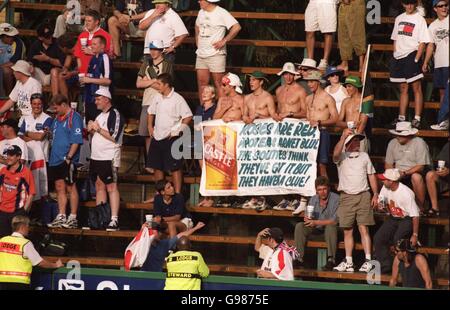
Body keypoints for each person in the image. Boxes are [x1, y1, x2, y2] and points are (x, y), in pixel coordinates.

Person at [332, 130, 379, 273]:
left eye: (358, 140)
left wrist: (375, 193)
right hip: (346, 197)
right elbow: (334, 154)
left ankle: (368, 261)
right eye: (354, 140)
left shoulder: (364, 156)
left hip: (363, 195)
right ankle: (349, 262)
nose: (357, 143)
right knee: (348, 230)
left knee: (364, 228)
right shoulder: (342, 156)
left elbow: (371, 175)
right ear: (348, 143)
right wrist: (343, 137)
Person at [147, 73, 193, 194]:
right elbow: (150, 112)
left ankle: (177, 194)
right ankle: (160, 193)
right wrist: (149, 126)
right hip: (157, 136)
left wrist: (177, 131)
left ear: (166, 85)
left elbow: (188, 116)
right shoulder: (157, 97)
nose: (156, 86)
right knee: (157, 166)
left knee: (175, 167)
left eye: (159, 84)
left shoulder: (178, 99)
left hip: (171, 138)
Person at [389, 0, 430, 129]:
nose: (409, 6)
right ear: (403, 4)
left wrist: (417, 58)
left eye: (412, 3)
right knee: (403, 88)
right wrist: (395, 52)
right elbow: (395, 38)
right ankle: (402, 117)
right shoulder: (399, 18)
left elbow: (423, 41)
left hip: (412, 55)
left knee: (416, 88)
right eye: (407, 3)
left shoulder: (420, 19)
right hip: (399, 57)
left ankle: (417, 118)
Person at [87, 88, 124, 231]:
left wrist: (97, 129)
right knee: (99, 185)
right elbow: (95, 133)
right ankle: (100, 217)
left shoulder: (115, 114)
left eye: (98, 99)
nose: (95, 101)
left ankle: (114, 219)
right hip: (96, 156)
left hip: (109, 156)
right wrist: (91, 128)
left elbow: (114, 136)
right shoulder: (100, 115)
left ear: (106, 99)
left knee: (111, 186)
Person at [47, 95, 83, 229]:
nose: (55, 111)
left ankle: (72, 217)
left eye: (56, 108)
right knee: (59, 187)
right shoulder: (56, 119)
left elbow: (77, 140)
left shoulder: (75, 117)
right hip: (55, 159)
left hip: (67, 159)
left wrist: (69, 158)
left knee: (70, 186)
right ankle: (61, 215)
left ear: (63, 104)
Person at [374, 169, 421, 274]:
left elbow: (415, 216)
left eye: (384, 179)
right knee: (378, 238)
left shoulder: (406, 193)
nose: (382, 181)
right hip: (393, 217)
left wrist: (415, 234)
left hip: (407, 218)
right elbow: (382, 206)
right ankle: (386, 266)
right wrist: (381, 207)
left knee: (398, 239)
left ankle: (402, 267)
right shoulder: (385, 188)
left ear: (391, 181)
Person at [0, 215, 63, 289]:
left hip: (2, 281)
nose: (29, 229)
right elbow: (40, 262)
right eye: (28, 226)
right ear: (23, 227)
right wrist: (55, 265)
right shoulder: (25, 243)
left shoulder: (2, 241)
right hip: (19, 283)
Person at [137, 40, 174, 165]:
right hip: (147, 102)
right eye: (151, 49)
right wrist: (154, 81)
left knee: (162, 133)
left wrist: (148, 80)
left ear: (161, 50)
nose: (153, 52)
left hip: (162, 103)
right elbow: (138, 83)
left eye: (156, 49)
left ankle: (162, 162)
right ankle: (151, 163)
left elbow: (163, 86)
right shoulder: (146, 63)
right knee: (148, 134)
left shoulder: (167, 64)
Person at [195, 0, 241, 100]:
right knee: (202, 83)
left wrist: (224, 40)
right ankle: (203, 112)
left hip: (216, 54)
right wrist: (198, 42)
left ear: (209, 1)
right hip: (201, 53)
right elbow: (197, 26)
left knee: (219, 83)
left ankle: (220, 113)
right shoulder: (201, 12)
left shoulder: (222, 12)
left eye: (201, 0)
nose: (198, 2)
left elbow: (236, 27)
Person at [294, 176, 339, 270]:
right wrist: (307, 218)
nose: (322, 192)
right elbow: (308, 217)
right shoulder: (313, 199)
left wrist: (316, 222)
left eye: (324, 189)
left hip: (331, 232)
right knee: (299, 226)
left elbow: (335, 220)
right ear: (316, 190)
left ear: (328, 188)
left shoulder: (336, 199)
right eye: (319, 190)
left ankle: (331, 260)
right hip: (316, 229)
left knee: (331, 227)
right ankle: (299, 258)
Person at [385, 121, 431, 210]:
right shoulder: (392, 143)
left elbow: (421, 166)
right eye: (397, 134)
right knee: (382, 179)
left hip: (414, 172)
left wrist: (405, 173)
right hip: (397, 172)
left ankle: (419, 207)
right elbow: (388, 164)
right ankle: (389, 206)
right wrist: (392, 174)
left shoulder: (419, 142)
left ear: (409, 134)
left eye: (401, 134)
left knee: (416, 177)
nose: (398, 136)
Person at [18, 93, 52, 201]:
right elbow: (19, 136)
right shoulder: (26, 118)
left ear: (43, 105)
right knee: (29, 184)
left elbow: (41, 136)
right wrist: (33, 136)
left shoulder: (48, 119)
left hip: (43, 157)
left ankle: (41, 213)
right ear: (31, 104)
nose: (36, 106)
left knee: (42, 185)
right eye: (34, 104)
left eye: (39, 104)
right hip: (28, 156)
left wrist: (27, 133)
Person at [305, 70, 338, 177]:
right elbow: (306, 117)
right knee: (309, 164)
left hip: (322, 132)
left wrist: (319, 122)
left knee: (321, 165)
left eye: (311, 82)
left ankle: (325, 190)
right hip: (309, 134)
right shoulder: (308, 98)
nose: (309, 84)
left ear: (318, 82)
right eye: (308, 82)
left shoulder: (328, 98)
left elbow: (335, 118)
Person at [141, 221, 206, 272]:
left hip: (157, 276)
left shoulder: (164, 244)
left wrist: (195, 228)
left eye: (159, 231)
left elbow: (180, 235)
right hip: (143, 276)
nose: (159, 233)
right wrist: (142, 230)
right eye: (157, 231)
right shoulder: (143, 244)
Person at [424, 0, 449, 131]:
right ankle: (444, 121)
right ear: (435, 9)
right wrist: (425, 62)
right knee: (442, 93)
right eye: (441, 6)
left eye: (446, 5)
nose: (444, 8)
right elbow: (430, 45)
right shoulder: (432, 26)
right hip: (439, 64)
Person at [0, 147, 35, 238]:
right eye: (7, 154)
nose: (8, 157)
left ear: (19, 156)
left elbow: (31, 193)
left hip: (17, 213)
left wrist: (23, 212)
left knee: (17, 241)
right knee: (3, 241)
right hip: (2, 212)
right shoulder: (3, 170)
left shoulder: (26, 172)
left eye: (11, 155)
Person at [81, 35, 112, 123]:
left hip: (100, 99)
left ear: (102, 46)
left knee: (97, 125)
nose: (92, 46)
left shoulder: (105, 58)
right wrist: (84, 80)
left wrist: (89, 80)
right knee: (89, 126)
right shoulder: (93, 58)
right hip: (89, 97)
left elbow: (108, 80)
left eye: (94, 44)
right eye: (92, 44)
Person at [195, 85, 217, 208]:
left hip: (210, 142)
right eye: (203, 91)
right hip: (199, 141)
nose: (204, 93)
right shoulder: (199, 108)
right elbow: (196, 123)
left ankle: (211, 198)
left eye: (207, 92)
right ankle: (206, 197)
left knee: (210, 171)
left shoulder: (215, 108)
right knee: (203, 172)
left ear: (213, 95)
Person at [73, 9, 114, 76]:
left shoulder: (106, 35)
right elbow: (77, 55)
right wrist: (80, 71)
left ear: (96, 22)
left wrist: (92, 52)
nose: (86, 23)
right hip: (82, 74)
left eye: (89, 21)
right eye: (85, 21)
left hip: (98, 74)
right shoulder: (82, 35)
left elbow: (109, 56)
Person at [336, 76, 369, 153]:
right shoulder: (345, 101)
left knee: (359, 162)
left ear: (356, 87)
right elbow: (338, 122)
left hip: (359, 135)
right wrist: (349, 124)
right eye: (346, 86)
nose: (347, 89)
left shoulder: (365, 101)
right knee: (344, 161)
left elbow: (363, 123)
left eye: (349, 86)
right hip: (346, 134)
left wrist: (356, 138)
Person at [27, 23, 65, 87]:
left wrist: (48, 59)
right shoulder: (36, 45)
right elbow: (29, 59)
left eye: (51, 35)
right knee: (24, 67)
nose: (50, 38)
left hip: (52, 75)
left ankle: (55, 96)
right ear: (40, 38)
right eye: (47, 37)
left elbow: (62, 63)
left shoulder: (58, 43)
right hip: (40, 74)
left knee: (54, 72)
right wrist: (31, 65)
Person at [304, 0, 337, 70]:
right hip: (313, 2)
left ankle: (325, 61)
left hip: (328, 2)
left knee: (328, 32)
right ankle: (310, 60)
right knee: (309, 30)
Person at [336, 0, 366, 72]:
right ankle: (344, 62)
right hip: (343, 4)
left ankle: (362, 64)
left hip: (355, 3)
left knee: (357, 33)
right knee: (343, 35)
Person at [0, 23, 26, 96]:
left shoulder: (18, 43)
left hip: (15, 68)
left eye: (12, 36)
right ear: (2, 36)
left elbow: (14, 62)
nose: (11, 38)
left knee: (6, 71)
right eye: (8, 36)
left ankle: (9, 97)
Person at [50, 33, 78, 98]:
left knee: (61, 76)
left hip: (79, 75)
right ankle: (56, 99)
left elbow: (83, 69)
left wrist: (70, 73)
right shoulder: (69, 53)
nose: (60, 50)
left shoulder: (79, 50)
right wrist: (65, 69)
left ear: (65, 48)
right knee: (54, 70)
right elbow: (66, 65)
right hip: (71, 73)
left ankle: (64, 102)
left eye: (60, 48)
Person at [425, 141, 449, 216]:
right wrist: (442, 170)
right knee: (430, 175)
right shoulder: (448, 146)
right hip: (447, 179)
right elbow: (440, 161)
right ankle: (435, 208)